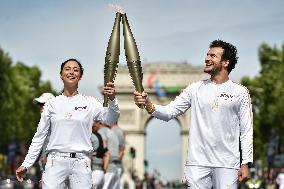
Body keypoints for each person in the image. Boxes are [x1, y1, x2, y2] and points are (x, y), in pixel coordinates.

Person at [134, 40, 253, 189]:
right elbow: (170, 112)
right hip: (197, 164)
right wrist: (148, 104)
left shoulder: (240, 93)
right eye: (207, 54)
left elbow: (247, 130)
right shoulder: (194, 89)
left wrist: (246, 162)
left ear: (225, 62)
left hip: (227, 163)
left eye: (213, 56)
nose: (207, 58)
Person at [15, 58, 120, 189]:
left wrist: (112, 99)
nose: (71, 72)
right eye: (67, 69)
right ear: (61, 75)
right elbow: (39, 136)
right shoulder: (51, 104)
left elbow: (111, 119)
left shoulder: (90, 102)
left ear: (80, 76)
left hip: (81, 162)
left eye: (76, 70)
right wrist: (26, 164)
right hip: (55, 162)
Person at [94, 120, 120, 189]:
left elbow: (105, 151)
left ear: (99, 123)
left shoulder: (102, 132)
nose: (93, 126)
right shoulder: (112, 132)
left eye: (94, 123)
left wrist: (104, 169)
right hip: (115, 168)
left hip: (108, 168)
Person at [91, 121, 110, 189]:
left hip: (94, 172)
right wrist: (104, 169)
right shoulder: (99, 135)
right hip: (100, 171)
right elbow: (107, 154)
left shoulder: (91, 136)